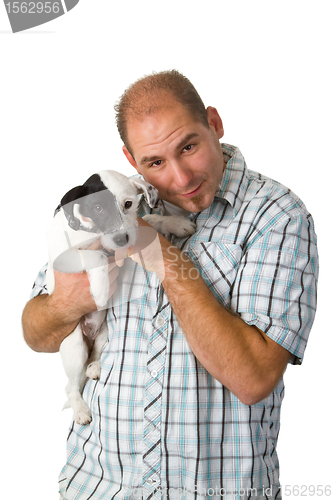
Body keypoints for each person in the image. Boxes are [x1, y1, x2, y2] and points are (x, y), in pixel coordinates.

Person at [22, 70, 318, 500]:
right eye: (155, 162)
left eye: (189, 147)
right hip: (95, 487)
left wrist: (163, 257)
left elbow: (252, 379)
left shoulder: (277, 216)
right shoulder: (110, 206)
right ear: (131, 160)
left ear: (214, 124)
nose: (180, 177)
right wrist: (65, 303)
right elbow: (35, 333)